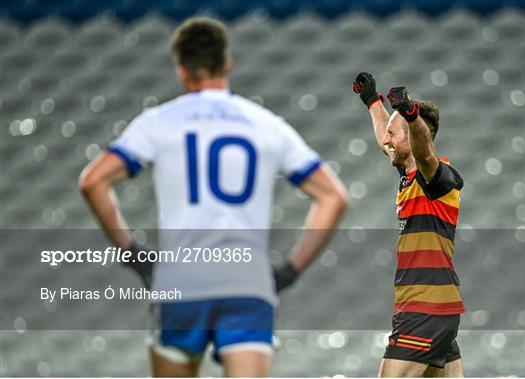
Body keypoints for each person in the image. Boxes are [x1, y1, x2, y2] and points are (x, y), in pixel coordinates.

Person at [79, 17, 348, 377]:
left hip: (181, 280)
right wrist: (290, 271)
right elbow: (333, 197)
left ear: (182, 71)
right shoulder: (266, 124)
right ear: (227, 64)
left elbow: (93, 182)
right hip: (246, 281)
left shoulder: (159, 122)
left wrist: (133, 255)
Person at [352, 73, 465, 377]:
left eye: (394, 133)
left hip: (424, 310)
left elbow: (424, 152)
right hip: (434, 308)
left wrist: (412, 116)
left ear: (416, 135)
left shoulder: (438, 178)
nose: (386, 140)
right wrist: (372, 101)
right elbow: (388, 139)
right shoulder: (408, 174)